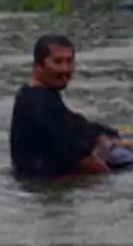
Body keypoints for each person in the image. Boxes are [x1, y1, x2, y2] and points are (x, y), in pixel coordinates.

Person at [9, 34, 123, 179]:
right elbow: (81, 160)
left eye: (69, 62)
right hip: (47, 184)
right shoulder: (42, 103)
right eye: (57, 62)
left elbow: (74, 124)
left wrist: (105, 136)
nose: (65, 69)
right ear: (37, 65)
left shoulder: (29, 94)